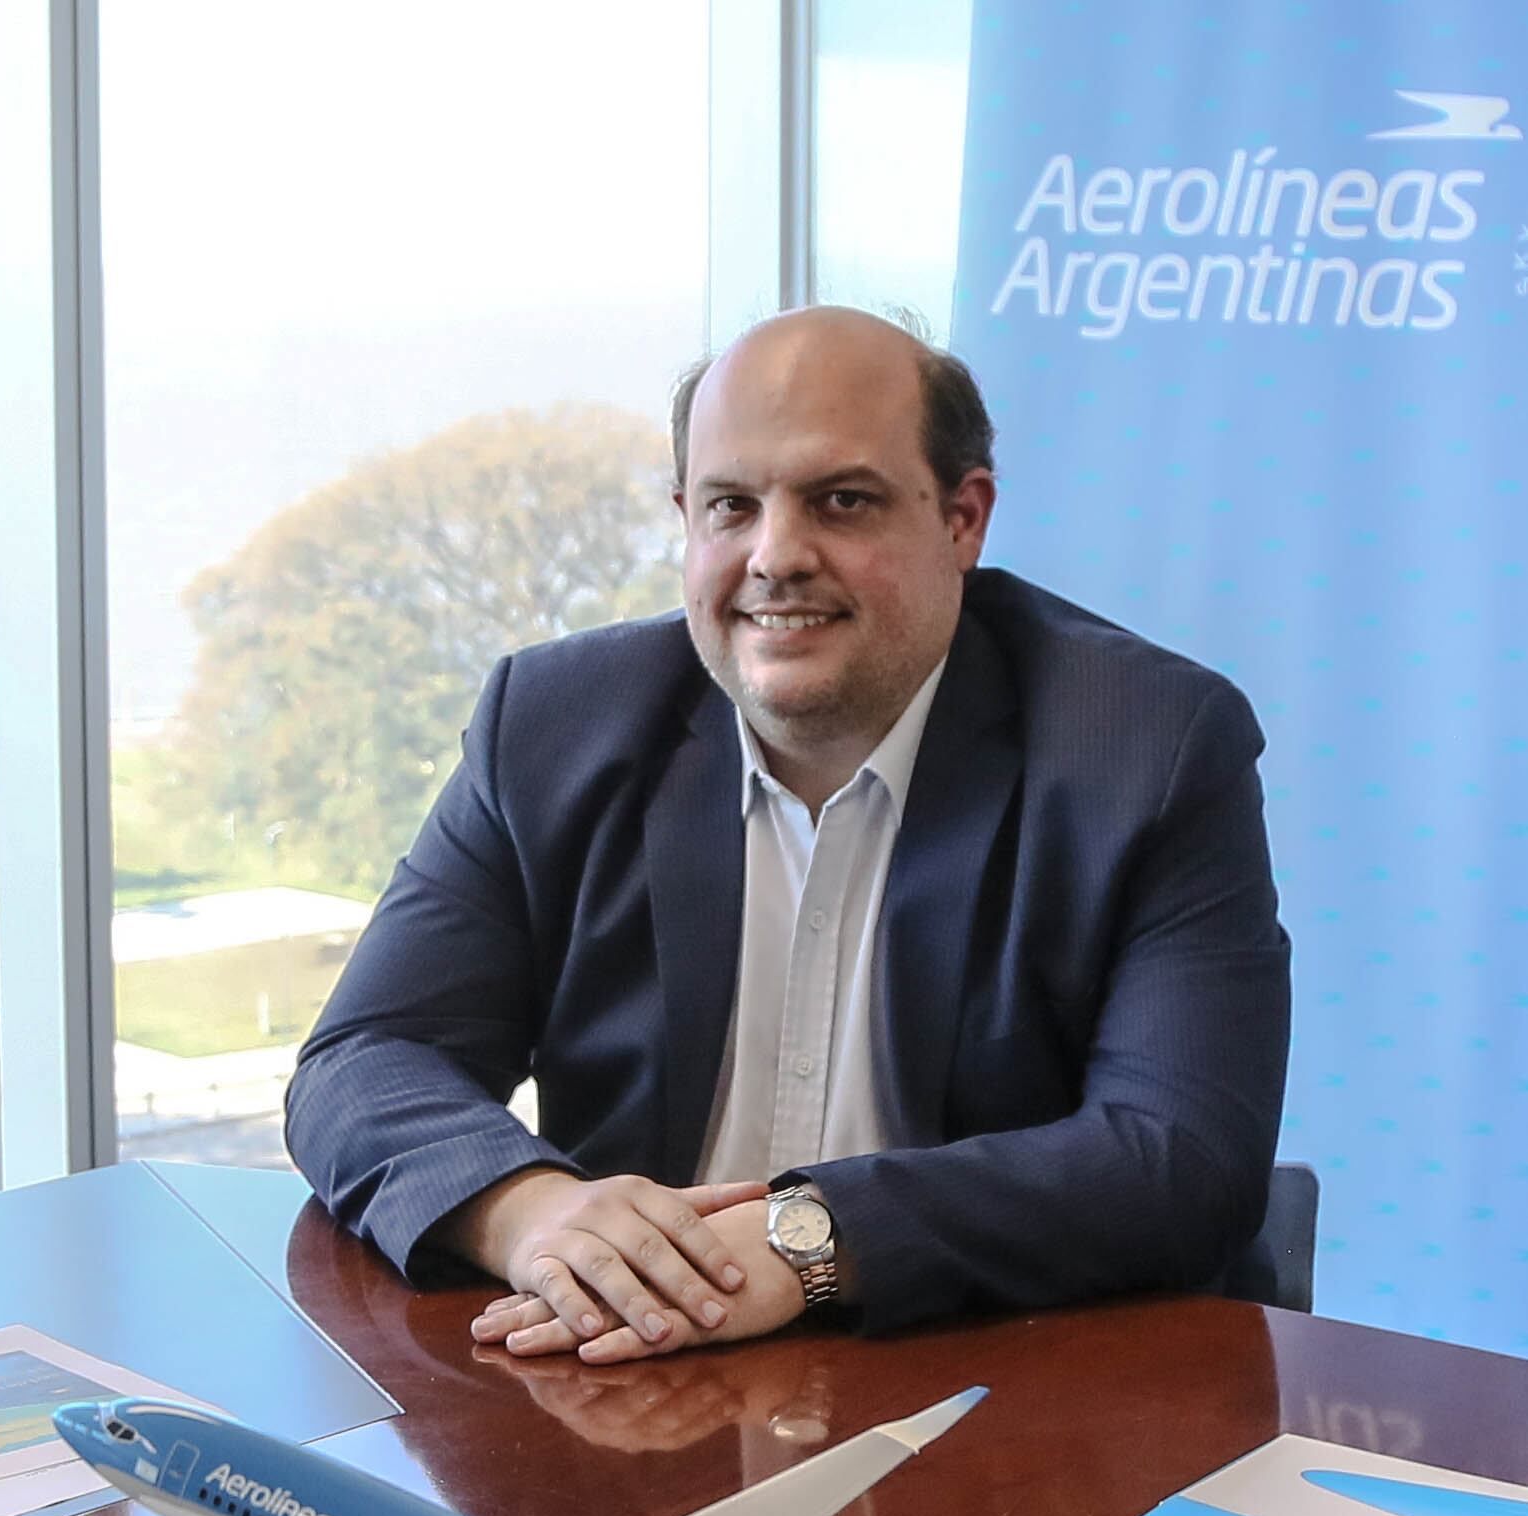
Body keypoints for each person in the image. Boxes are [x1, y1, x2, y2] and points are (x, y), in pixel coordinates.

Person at [286, 306, 1289, 1366]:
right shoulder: (552, 724)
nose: (775, 557)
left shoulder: (1145, 745)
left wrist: (809, 1239)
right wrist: (529, 1210)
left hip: (999, 1379)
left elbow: (1181, 1156)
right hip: (635, 1386)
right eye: (732, 506)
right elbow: (364, 1059)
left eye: (840, 501)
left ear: (963, 517)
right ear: (687, 522)